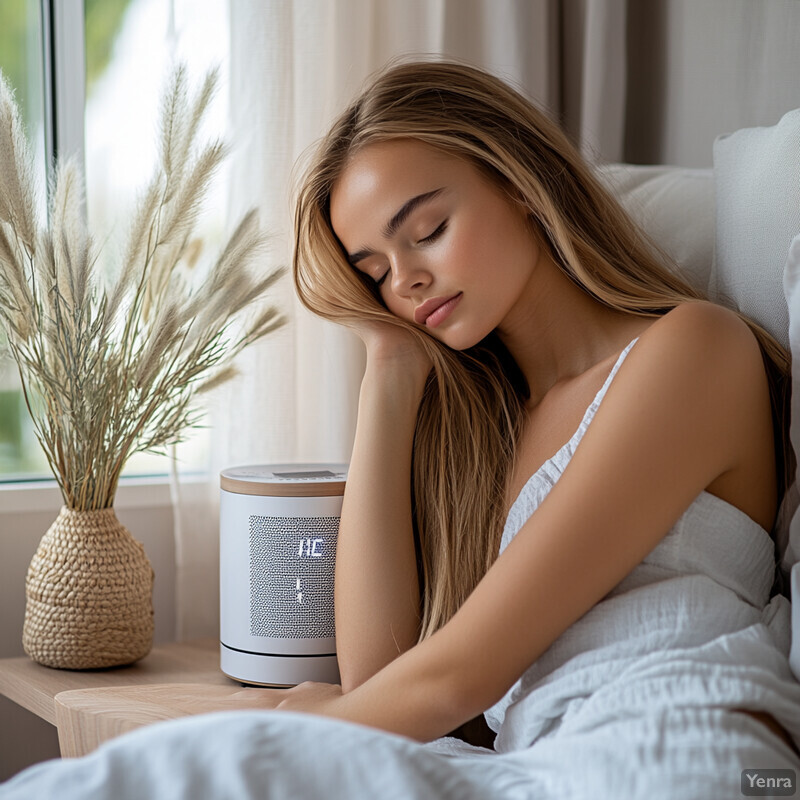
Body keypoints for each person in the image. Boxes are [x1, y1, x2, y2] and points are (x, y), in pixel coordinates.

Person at [3, 58, 800, 800]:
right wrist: (389, 369)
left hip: (676, 740)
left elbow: (453, 681)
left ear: (520, 181)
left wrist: (292, 728)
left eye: (425, 230)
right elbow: (381, 674)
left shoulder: (693, 350)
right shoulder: (486, 434)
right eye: (375, 270)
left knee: (172, 770)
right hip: (539, 761)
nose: (407, 279)